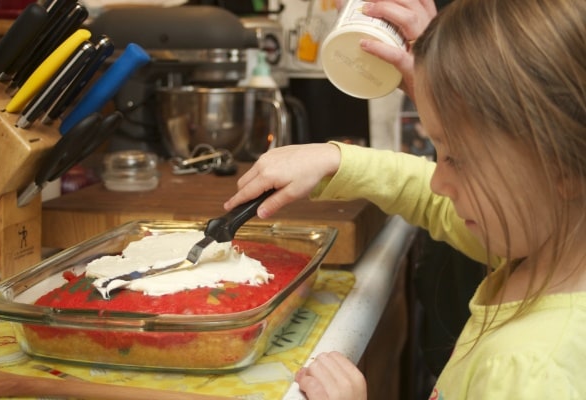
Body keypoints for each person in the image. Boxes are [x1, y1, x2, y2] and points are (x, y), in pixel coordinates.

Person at [225, 0, 586, 398]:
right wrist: (336, 160)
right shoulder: (544, 249)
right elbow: (437, 203)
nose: (437, 183)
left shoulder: (529, 373)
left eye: (456, 158)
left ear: (562, 168)